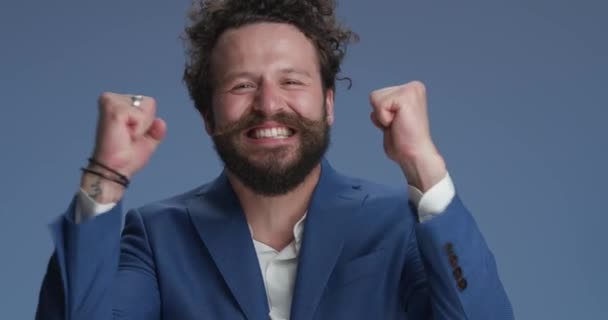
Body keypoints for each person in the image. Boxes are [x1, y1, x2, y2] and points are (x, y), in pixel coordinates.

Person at [36, 0, 513, 319]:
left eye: (292, 81)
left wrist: (424, 166)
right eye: (242, 85)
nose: (268, 104)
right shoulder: (157, 237)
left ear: (328, 103)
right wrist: (106, 177)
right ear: (207, 114)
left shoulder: (401, 224)